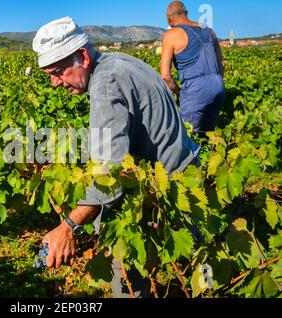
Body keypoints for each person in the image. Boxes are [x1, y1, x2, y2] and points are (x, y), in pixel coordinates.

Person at [32, 16, 200, 297]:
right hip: (181, 172)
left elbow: (110, 174)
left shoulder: (105, 85)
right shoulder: (118, 61)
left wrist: (69, 226)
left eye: (58, 72)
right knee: (193, 269)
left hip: (168, 186)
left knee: (128, 273)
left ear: (82, 56)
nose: (55, 83)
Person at [160, 1, 226, 134]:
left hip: (196, 90)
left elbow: (165, 76)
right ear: (186, 14)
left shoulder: (171, 35)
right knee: (208, 135)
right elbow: (222, 64)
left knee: (187, 136)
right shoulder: (209, 31)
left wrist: (179, 92)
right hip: (218, 85)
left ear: (169, 19)